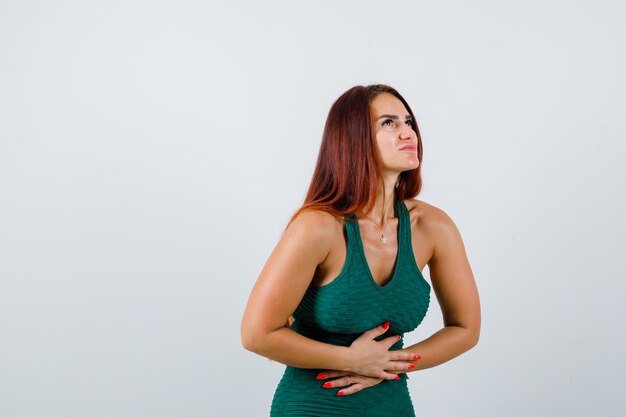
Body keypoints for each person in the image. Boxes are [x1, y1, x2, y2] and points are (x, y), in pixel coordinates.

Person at [241, 84, 481, 416]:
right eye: (389, 123)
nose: (408, 132)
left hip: (391, 405)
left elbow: (465, 329)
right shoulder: (318, 227)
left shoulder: (433, 226)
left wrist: (390, 365)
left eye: (408, 122)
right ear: (354, 140)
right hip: (313, 406)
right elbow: (257, 334)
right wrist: (352, 360)